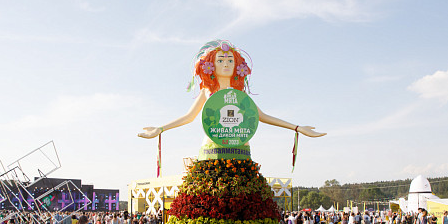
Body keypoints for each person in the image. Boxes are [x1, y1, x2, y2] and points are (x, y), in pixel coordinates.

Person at [138, 39, 325, 159]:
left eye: (230, 60)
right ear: (211, 65)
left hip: (240, 149)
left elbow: (263, 116)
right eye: (220, 60)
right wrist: (160, 129)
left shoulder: (241, 96)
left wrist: (298, 128)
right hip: (212, 149)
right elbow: (188, 117)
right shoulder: (206, 91)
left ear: (237, 65)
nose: (226, 64)